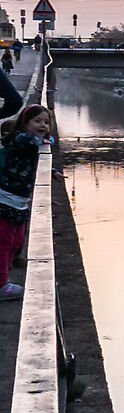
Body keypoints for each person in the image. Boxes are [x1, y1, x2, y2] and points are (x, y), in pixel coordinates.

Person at [0, 103, 53, 299]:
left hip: (20, 201)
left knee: (16, 242)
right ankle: (1, 285)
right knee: (4, 242)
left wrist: (53, 171)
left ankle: (6, 271)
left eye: (46, 122)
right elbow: (30, 141)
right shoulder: (21, 138)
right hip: (6, 199)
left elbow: (32, 162)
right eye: (37, 121)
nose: (43, 125)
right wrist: (46, 140)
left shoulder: (31, 143)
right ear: (24, 123)